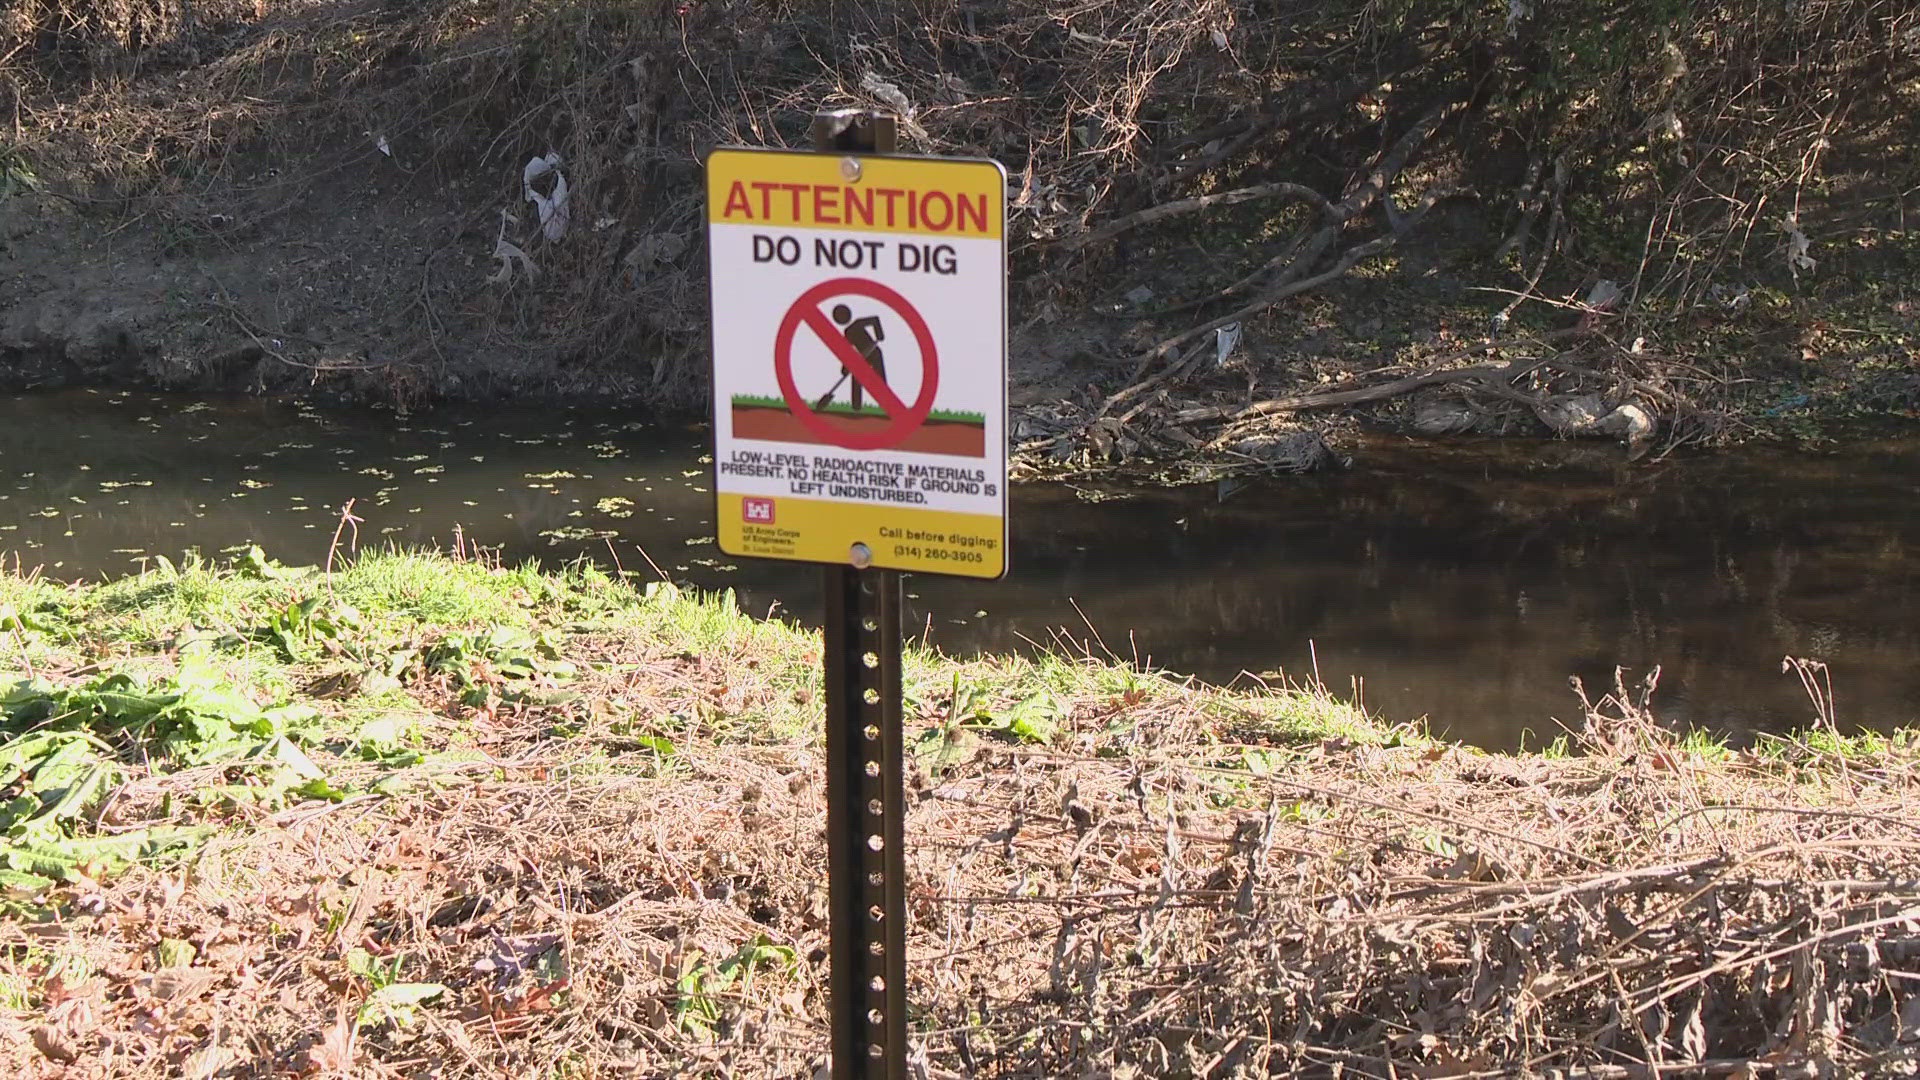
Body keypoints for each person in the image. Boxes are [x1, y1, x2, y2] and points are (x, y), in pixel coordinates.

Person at [815, 304, 886, 412]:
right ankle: (856, 407)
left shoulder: (857, 324)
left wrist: (879, 333)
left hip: (874, 352)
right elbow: (848, 351)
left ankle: (888, 404)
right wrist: (845, 367)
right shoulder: (848, 332)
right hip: (862, 357)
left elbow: (875, 320)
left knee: (880, 380)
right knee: (856, 376)